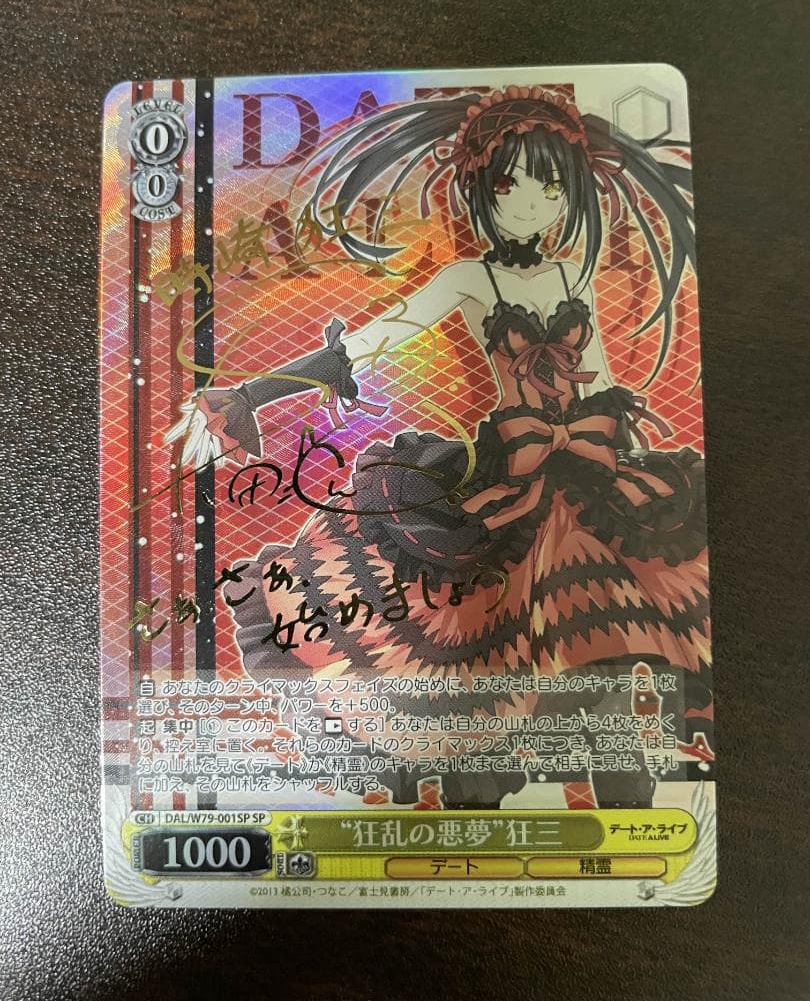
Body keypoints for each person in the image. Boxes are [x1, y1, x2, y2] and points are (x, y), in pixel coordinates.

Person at [170, 86, 711, 809]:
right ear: (480, 185)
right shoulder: (467, 277)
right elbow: (369, 343)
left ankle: (628, 813)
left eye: (551, 186)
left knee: (614, 648)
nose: (531, 202)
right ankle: (477, 802)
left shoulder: (571, 274)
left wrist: (627, 456)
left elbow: (602, 381)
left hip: (586, 480)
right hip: (507, 482)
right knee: (474, 656)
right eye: (510, 183)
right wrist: (251, 394)